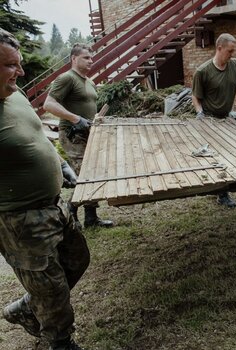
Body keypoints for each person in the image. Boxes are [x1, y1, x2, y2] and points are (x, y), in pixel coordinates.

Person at [0, 29, 89, 349]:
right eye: (10, 65)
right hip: (20, 221)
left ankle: (26, 306)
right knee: (51, 291)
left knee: (77, 259)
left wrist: (60, 164)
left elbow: (37, 135)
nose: (20, 72)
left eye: (19, 63)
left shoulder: (14, 94)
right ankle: (60, 342)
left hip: (54, 204)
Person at [43, 43, 113, 229]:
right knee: (86, 175)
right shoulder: (67, 78)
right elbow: (48, 105)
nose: (91, 60)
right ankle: (71, 210)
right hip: (73, 134)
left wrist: (96, 119)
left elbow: (89, 108)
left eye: (91, 57)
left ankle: (91, 218)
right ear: (74, 59)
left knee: (92, 173)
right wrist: (75, 119)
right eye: (86, 57)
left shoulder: (89, 82)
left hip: (90, 132)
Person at [192, 33, 236, 209]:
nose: (232, 55)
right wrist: (200, 114)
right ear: (219, 48)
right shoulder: (203, 71)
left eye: (233, 51)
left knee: (230, 152)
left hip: (226, 119)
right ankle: (221, 194)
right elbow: (196, 98)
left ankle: (222, 188)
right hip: (209, 120)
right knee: (215, 156)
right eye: (229, 51)